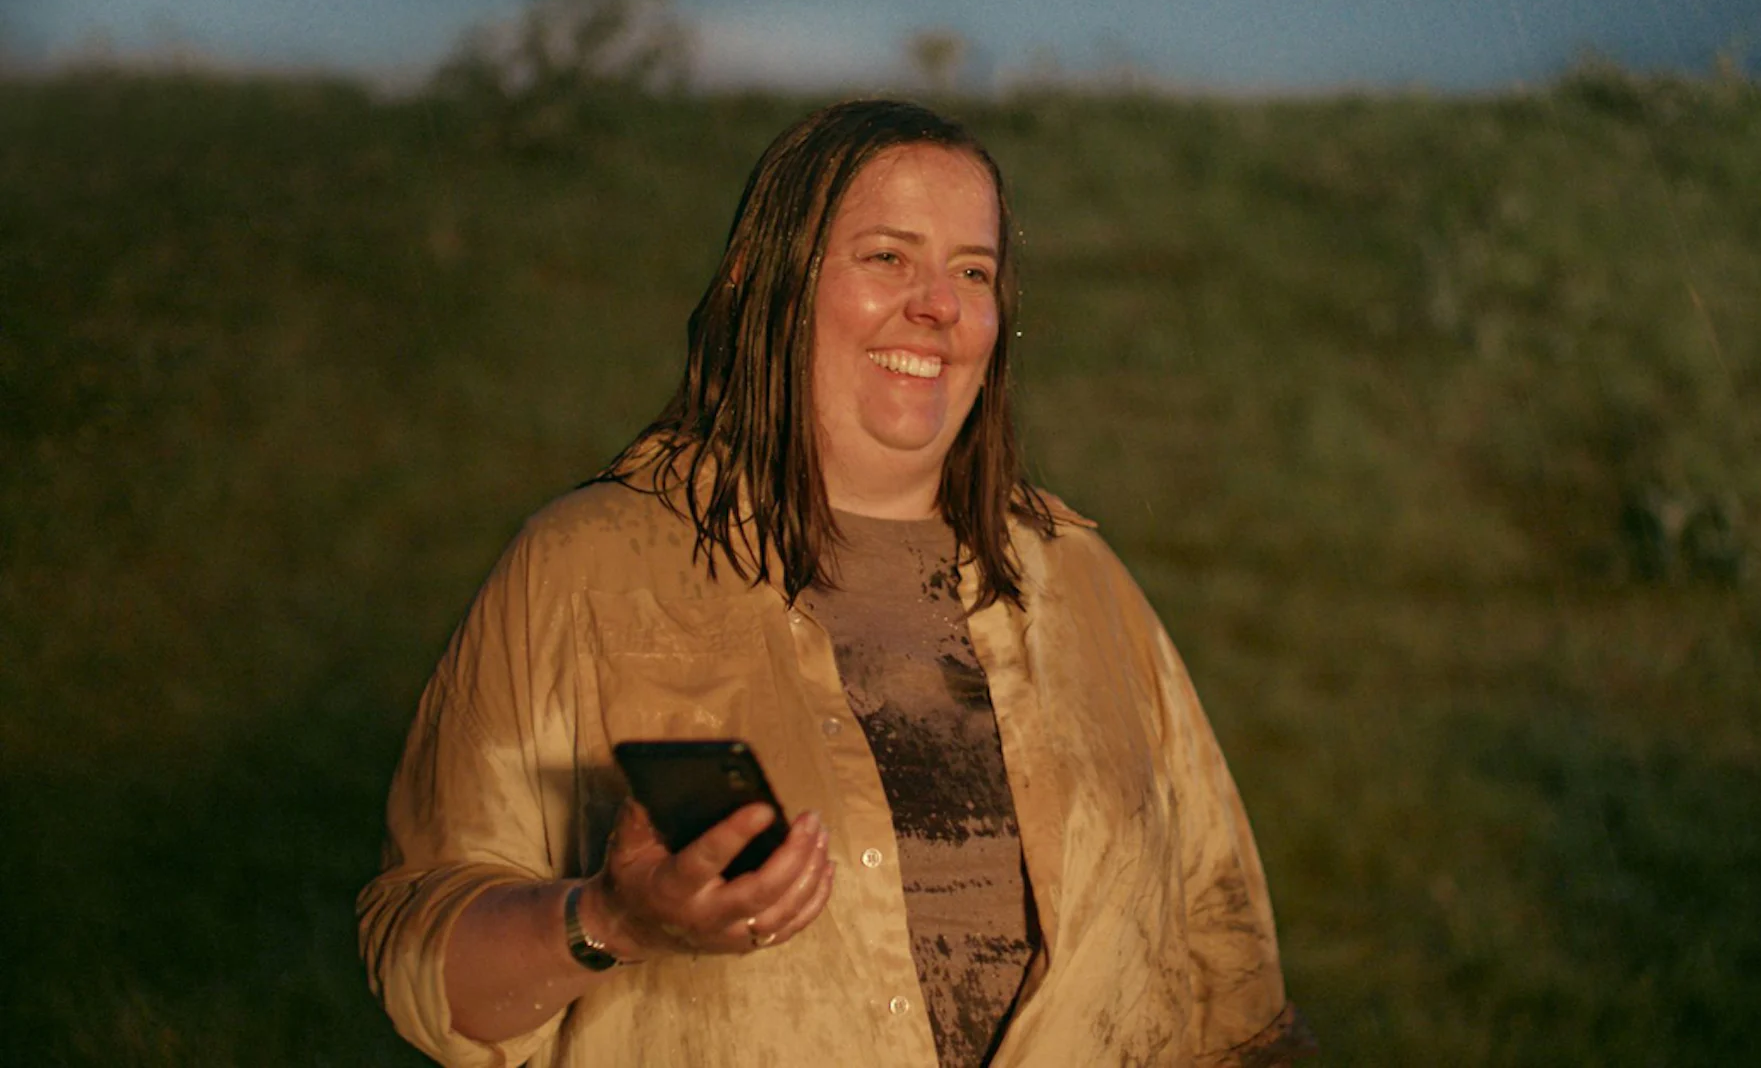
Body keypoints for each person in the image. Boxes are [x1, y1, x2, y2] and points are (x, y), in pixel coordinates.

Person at [357, 99, 1312, 1067]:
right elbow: (422, 962)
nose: (936, 304)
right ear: (772, 284)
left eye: (971, 272)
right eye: (887, 257)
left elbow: (1227, 972)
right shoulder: (584, 570)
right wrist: (611, 919)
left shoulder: (1084, 585)